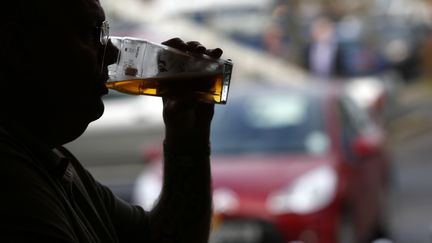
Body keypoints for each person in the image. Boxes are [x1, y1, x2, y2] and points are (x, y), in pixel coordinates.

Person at [0, 0, 223, 242]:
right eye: (92, 32)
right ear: (19, 46)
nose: (113, 54)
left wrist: (187, 138)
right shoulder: (10, 184)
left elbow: (162, 237)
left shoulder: (50, 160)